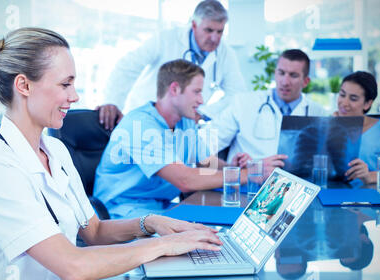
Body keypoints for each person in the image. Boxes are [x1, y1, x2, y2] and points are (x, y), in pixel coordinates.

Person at [0, 28, 223, 280]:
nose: (74, 96)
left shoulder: (55, 150)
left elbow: (94, 231)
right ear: (24, 86)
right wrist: (166, 245)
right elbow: (73, 266)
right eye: (65, 84)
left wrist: (151, 223)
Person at [94, 59, 271, 219]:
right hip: (122, 211)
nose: (201, 100)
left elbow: (206, 163)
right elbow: (185, 181)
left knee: (225, 229)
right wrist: (248, 176)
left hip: (159, 207)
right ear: (175, 89)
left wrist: (234, 167)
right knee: (199, 241)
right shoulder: (139, 125)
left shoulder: (185, 122)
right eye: (197, 92)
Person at [97, 0, 246, 125]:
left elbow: (237, 93)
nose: (215, 38)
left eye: (220, 31)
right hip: (145, 118)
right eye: (209, 30)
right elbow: (127, 67)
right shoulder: (166, 40)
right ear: (194, 25)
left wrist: (204, 114)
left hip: (182, 125)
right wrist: (112, 102)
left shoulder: (225, 53)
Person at [205, 49, 326, 165]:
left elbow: (326, 160)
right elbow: (205, 146)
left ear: (305, 81)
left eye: (293, 75)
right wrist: (229, 167)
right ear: (275, 73)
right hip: (248, 181)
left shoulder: (319, 113)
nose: (285, 81)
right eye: (281, 73)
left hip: (298, 182)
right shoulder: (243, 103)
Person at [333, 71, 380, 185]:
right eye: (342, 95)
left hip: (371, 196)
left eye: (353, 98)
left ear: (368, 103)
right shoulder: (327, 125)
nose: (344, 103)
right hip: (329, 194)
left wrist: (370, 175)